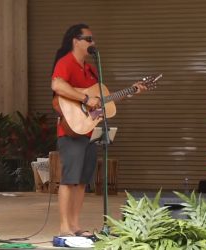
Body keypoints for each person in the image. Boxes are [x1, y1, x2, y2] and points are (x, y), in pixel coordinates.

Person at [51, 23, 146, 237]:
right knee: (69, 179)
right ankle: (64, 226)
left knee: (83, 181)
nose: (93, 42)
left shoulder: (92, 69)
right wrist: (85, 98)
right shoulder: (66, 62)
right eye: (89, 39)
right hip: (70, 131)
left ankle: (75, 225)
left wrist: (131, 91)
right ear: (76, 41)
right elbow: (57, 86)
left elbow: (102, 99)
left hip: (89, 131)